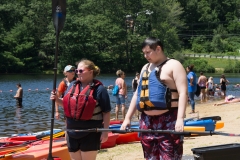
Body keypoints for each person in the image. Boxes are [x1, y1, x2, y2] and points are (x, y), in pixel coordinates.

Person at [120, 37, 187, 160]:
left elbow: (183, 93)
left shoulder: (174, 65)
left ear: (158, 49)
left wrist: (180, 119)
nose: (146, 56)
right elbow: (137, 94)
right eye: (144, 53)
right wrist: (127, 118)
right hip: (146, 121)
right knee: (150, 157)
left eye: (148, 52)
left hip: (168, 119)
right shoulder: (145, 67)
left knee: (170, 156)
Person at [50, 59, 111, 160]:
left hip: (90, 132)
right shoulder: (72, 85)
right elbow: (66, 105)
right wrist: (56, 99)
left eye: (81, 71)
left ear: (90, 72)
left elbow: (106, 112)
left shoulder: (99, 90)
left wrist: (105, 132)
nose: (77, 73)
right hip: (71, 132)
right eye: (77, 71)